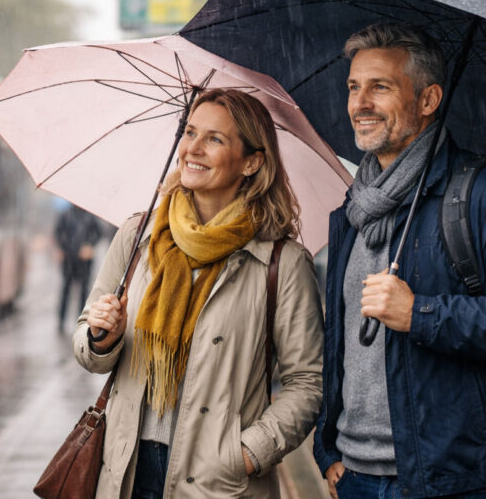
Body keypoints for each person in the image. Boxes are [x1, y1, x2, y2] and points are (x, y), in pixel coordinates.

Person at [313, 22, 486, 498]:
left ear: (429, 100)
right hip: (354, 477)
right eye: (354, 86)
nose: (359, 103)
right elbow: (343, 343)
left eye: (380, 87)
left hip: (455, 480)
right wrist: (329, 451)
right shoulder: (352, 211)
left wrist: (421, 315)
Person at [74, 88, 324, 498]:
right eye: (190, 133)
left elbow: (307, 384)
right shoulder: (139, 236)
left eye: (215, 139)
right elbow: (88, 346)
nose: (194, 148)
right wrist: (103, 335)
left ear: (252, 162)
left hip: (218, 482)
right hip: (125, 471)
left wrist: (245, 453)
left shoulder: (282, 262)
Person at [54, 203, 102, 333]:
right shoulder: (65, 214)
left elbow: (99, 233)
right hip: (69, 260)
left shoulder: (90, 216)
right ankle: (61, 322)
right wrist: (61, 249)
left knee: (84, 293)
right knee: (65, 290)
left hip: (84, 261)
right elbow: (58, 232)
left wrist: (89, 246)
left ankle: (81, 321)